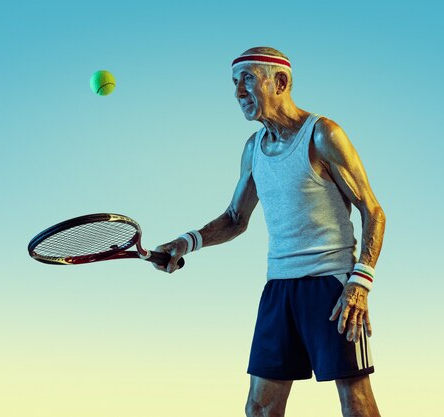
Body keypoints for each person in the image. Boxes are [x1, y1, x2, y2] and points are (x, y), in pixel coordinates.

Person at [153, 46, 386, 417]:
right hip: (279, 289)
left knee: (355, 403)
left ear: (280, 81)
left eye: (247, 79)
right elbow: (234, 218)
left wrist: (360, 282)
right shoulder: (253, 149)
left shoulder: (322, 135)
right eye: (234, 83)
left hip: (331, 287)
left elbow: (372, 211)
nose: (238, 92)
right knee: (260, 408)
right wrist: (186, 242)